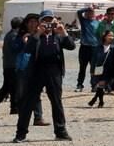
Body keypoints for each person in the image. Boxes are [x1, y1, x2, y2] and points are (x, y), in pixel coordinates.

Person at [13, 10, 73, 142]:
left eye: (50, 20)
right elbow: (28, 49)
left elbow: (71, 46)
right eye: (45, 20)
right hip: (36, 71)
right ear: (40, 22)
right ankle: (21, 133)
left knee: (56, 102)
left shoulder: (57, 36)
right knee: (28, 103)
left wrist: (63, 32)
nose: (48, 23)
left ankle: (60, 131)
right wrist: (38, 33)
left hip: (54, 72)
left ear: (54, 21)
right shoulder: (35, 36)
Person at [87, 31, 114, 108]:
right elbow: (93, 60)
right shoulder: (98, 47)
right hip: (99, 69)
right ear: (104, 36)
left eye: (112, 36)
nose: (111, 37)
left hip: (109, 70)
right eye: (109, 35)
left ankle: (96, 100)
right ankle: (99, 101)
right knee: (100, 86)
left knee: (101, 85)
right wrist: (92, 71)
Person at [74, 9, 98, 93]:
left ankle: (94, 85)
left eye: (91, 12)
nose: (89, 14)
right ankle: (79, 85)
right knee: (82, 68)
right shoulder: (83, 21)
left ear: (94, 14)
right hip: (84, 47)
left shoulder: (98, 22)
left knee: (94, 68)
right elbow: (79, 12)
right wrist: (87, 8)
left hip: (95, 48)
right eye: (88, 12)